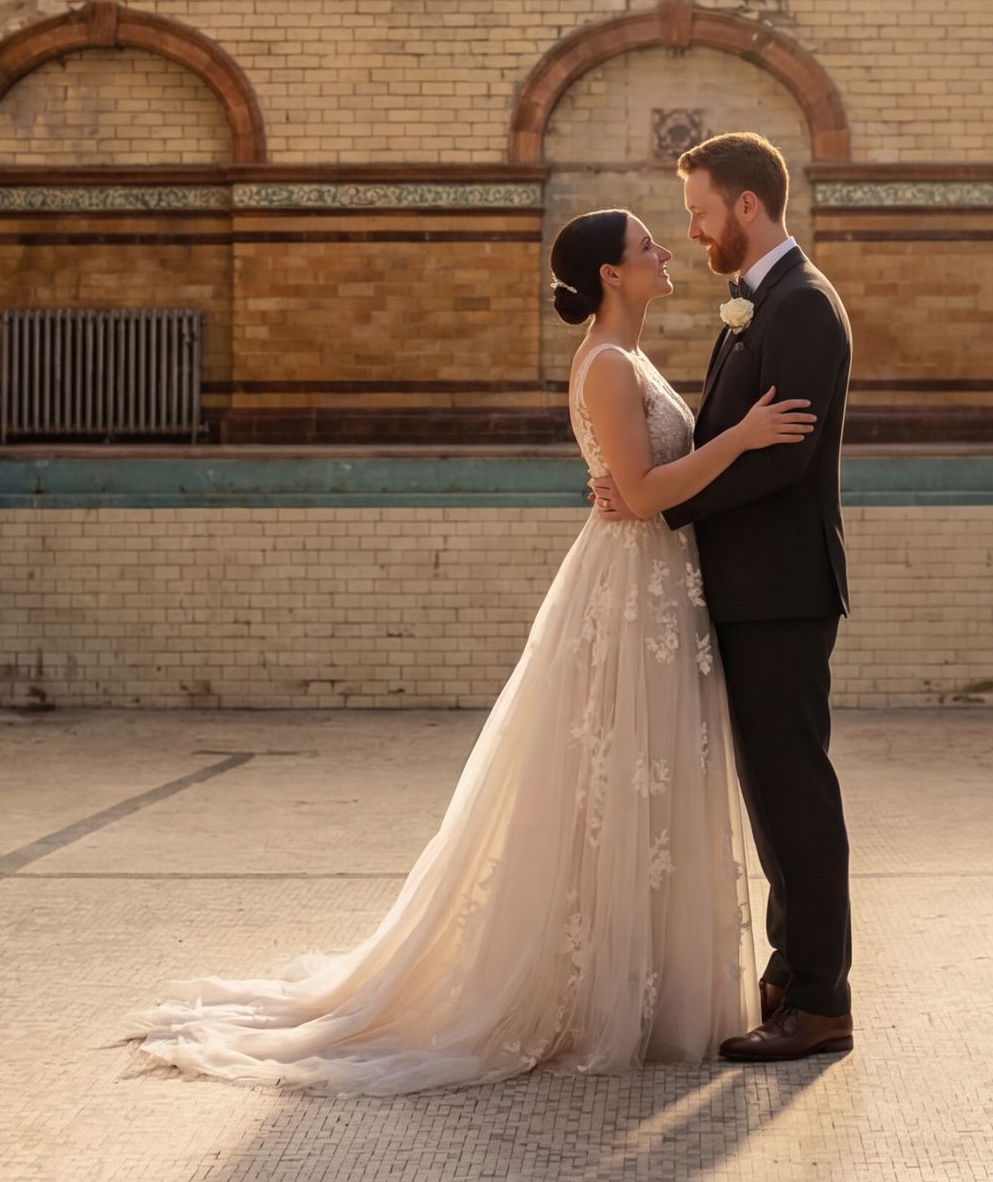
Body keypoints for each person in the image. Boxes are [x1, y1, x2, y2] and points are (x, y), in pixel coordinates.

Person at [129, 209, 814, 1093]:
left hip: (657, 591)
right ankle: (590, 989)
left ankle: (643, 983)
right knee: (610, 781)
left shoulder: (627, 359)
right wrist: (741, 439)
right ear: (611, 274)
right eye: (648, 247)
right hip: (630, 585)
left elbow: (631, 476)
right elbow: (641, 495)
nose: (664, 253)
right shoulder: (607, 363)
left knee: (635, 783)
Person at [592, 131, 857, 1063]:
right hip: (751, 589)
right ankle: (790, 977)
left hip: (783, 590)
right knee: (774, 792)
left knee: (797, 793)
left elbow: (782, 454)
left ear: (747, 206)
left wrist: (659, 502)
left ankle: (821, 1001)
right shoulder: (760, 301)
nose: (694, 232)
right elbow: (728, 432)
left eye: (702, 213)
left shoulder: (804, 308)